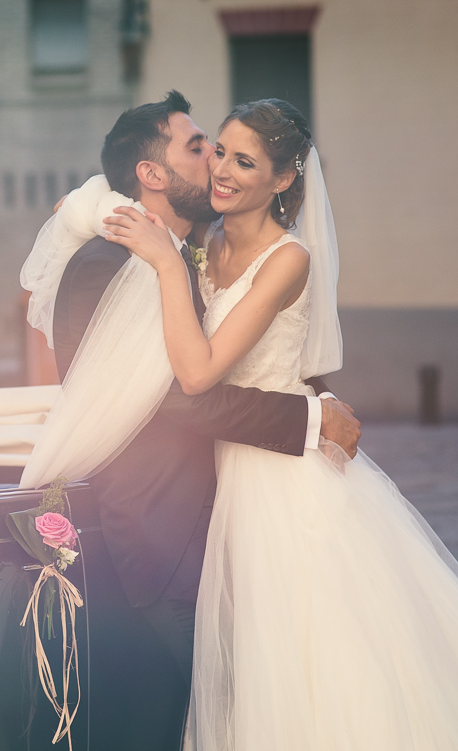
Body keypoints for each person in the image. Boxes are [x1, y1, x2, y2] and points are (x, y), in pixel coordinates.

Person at [103, 98, 458, 749]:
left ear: (282, 181)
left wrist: (166, 263)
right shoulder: (205, 242)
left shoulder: (288, 260)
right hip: (228, 475)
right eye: (218, 150)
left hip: (284, 482)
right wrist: (82, 219)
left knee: (312, 652)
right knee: (252, 663)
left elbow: (198, 376)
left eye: (244, 161)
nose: (221, 170)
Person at [18, 92, 361, 749]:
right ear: (152, 175)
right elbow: (174, 396)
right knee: (176, 718)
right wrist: (308, 418)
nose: (215, 163)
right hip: (156, 532)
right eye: (198, 147)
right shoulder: (107, 264)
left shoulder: (189, 248)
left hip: (218, 515)